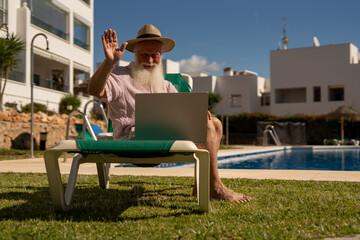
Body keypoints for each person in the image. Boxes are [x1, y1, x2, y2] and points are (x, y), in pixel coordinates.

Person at [88, 24, 251, 203]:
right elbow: (95, 90)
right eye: (144, 54)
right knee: (207, 125)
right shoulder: (119, 76)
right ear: (134, 55)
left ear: (161, 56)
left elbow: (182, 111)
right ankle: (215, 187)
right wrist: (109, 63)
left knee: (216, 123)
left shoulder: (165, 85)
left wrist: (196, 111)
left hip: (164, 140)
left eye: (154, 55)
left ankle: (203, 185)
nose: (149, 60)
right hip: (132, 143)